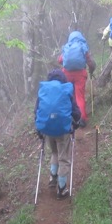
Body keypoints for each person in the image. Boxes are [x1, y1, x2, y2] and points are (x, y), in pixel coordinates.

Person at [35, 69, 81, 199]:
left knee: (54, 152)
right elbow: (75, 111)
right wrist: (76, 123)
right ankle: (61, 189)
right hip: (63, 130)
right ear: (63, 79)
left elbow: (37, 111)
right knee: (63, 158)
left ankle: (52, 178)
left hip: (47, 129)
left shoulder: (43, 90)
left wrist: (39, 129)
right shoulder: (66, 89)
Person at [57, 30, 95, 127]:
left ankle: (70, 118)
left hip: (67, 74)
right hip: (80, 74)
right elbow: (89, 61)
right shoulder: (82, 46)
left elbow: (60, 60)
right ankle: (82, 119)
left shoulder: (67, 47)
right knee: (79, 96)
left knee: (69, 95)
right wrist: (92, 69)